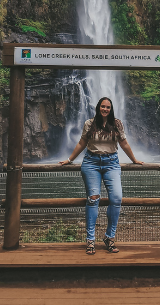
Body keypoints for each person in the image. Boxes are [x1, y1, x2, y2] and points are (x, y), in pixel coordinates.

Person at [59, 97, 143, 255]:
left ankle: (109, 237)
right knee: (93, 199)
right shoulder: (89, 124)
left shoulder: (117, 124)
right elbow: (82, 143)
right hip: (91, 163)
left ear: (111, 109)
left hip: (111, 163)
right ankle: (90, 240)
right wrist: (69, 159)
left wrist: (134, 159)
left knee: (117, 198)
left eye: (108, 107)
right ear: (98, 108)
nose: (105, 109)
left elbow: (124, 143)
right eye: (103, 106)